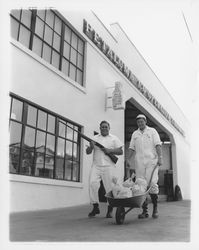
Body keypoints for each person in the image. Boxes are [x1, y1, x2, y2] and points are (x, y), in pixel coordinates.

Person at [126, 114, 163, 219]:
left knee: (152, 183)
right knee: (140, 186)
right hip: (139, 163)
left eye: (142, 121)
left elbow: (158, 145)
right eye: (138, 122)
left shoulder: (152, 131)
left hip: (152, 161)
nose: (140, 123)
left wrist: (160, 157)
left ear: (145, 121)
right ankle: (144, 211)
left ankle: (155, 208)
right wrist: (128, 159)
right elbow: (131, 148)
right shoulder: (135, 133)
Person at [86, 121, 123, 218]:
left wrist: (110, 150)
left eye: (106, 127)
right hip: (96, 165)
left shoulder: (114, 138)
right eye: (102, 127)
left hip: (108, 166)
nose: (104, 128)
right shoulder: (94, 138)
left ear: (109, 128)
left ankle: (110, 209)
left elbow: (120, 151)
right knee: (92, 184)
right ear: (100, 128)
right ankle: (95, 207)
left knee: (109, 188)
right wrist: (91, 147)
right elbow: (88, 152)